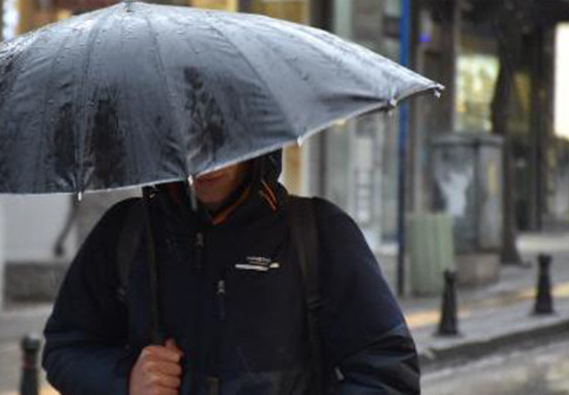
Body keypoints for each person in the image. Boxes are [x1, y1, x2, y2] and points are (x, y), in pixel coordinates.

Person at [43, 152, 419, 395]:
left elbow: (387, 371)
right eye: (192, 134)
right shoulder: (128, 232)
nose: (207, 157)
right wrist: (126, 379)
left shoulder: (318, 232)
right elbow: (66, 349)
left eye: (223, 134)